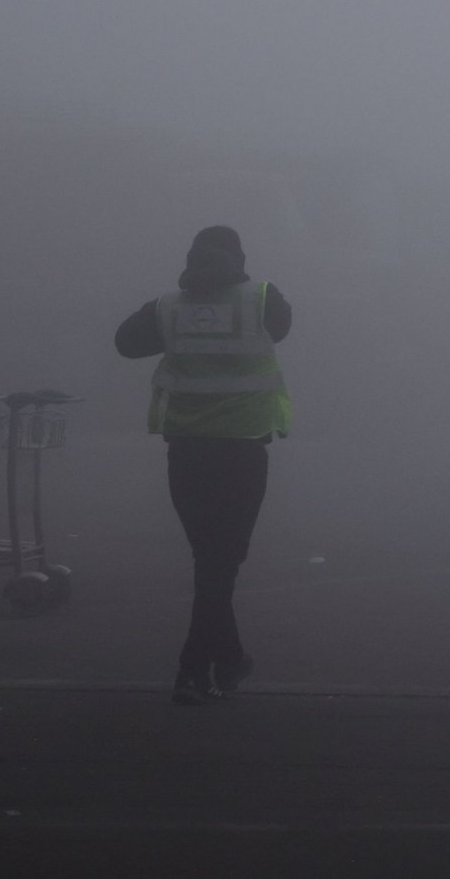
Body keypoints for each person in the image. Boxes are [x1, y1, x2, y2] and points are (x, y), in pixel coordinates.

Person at [114, 225, 292, 705]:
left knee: (211, 560)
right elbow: (283, 329)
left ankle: (229, 658)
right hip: (241, 450)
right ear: (237, 259)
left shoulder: (168, 306)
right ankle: (193, 667)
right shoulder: (261, 298)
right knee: (221, 561)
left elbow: (125, 343)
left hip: (188, 451)